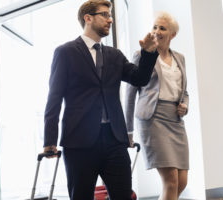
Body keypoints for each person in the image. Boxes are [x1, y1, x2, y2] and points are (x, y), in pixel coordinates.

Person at [43, 0, 158, 199]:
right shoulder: (66, 52)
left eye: (110, 15)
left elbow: (139, 78)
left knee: (123, 195)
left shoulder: (115, 55)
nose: (110, 19)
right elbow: (54, 98)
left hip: (114, 140)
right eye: (104, 14)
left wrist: (148, 54)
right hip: (78, 141)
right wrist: (50, 139)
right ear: (88, 18)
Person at [125, 11, 189, 200]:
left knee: (182, 181)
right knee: (170, 180)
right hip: (153, 119)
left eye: (162, 28)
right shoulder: (142, 55)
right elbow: (130, 94)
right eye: (154, 27)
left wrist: (184, 104)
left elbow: (184, 91)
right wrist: (127, 130)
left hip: (176, 120)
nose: (157, 31)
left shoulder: (180, 58)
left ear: (172, 34)